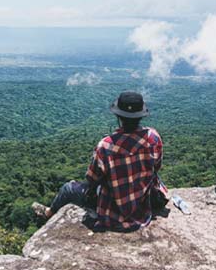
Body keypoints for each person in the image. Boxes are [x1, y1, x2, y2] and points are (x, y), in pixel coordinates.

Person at [32, 91, 169, 231]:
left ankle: (49, 213)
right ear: (141, 115)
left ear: (118, 116)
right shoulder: (153, 137)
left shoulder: (106, 145)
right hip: (143, 203)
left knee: (68, 188)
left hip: (112, 209)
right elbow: (156, 167)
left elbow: (92, 179)